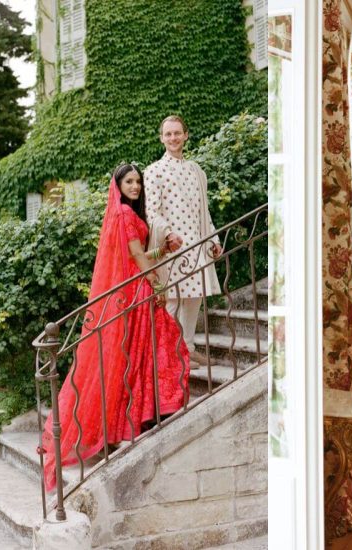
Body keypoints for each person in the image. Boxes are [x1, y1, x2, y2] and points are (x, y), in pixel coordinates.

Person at [41, 163, 190, 492]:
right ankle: (144, 414)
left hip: (132, 288)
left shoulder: (123, 214)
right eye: (129, 181)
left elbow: (135, 251)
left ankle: (140, 416)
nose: (135, 186)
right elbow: (136, 255)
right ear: (118, 185)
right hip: (137, 290)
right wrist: (157, 284)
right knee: (148, 347)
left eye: (138, 181)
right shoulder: (124, 213)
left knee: (140, 351)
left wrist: (162, 250)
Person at [144, 115, 222, 366]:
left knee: (194, 296)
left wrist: (214, 239)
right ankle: (170, 354)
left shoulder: (196, 171)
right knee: (174, 299)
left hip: (197, 244)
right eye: (168, 134)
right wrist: (167, 234)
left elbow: (204, 211)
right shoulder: (154, 171)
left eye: (177, 133)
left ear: (186, 135)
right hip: (173, 246)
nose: (173, 138)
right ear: (161, 138)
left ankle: (188, 347)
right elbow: (151, 211)